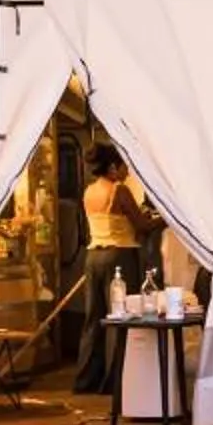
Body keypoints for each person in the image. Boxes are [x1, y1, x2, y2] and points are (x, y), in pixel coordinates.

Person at [73, 145, 148, 394]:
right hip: (120, 256)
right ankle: (116, 382)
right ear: (113, 167)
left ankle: (85, 381)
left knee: (93, 319)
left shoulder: (89, 192)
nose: (127, 171)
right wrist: (167, 218)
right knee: (121, 316)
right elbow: (142, 224)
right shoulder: (120, 190)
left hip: (94, 257)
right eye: (124, 165)